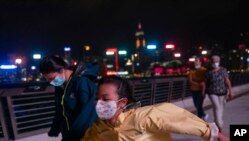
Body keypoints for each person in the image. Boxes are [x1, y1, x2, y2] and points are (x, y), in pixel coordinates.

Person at [81, 75, 229, 141]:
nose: (99, 103)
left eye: (105, 99)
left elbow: (177, 119)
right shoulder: (98, 128)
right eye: (97, 99)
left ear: (122, 102)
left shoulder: (143, 117)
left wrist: (213, 134)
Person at [39, 55, 98, 141]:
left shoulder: (82, 82)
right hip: (68, 134)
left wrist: (74, 135)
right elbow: (60, 111)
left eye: (52, 78)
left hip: (84, 136)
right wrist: (55, 129)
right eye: (48, 80)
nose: (51, 82)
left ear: (62, 70)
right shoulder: (60, 87)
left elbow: (87, 114)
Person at [204, 55, 233, 133]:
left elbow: (227, 81)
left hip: (222, 92)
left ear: (219, 62)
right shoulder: (208, 71)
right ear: (211, 62)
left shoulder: (223, 70)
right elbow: (205, 82)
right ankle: (219, 126)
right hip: (212, 92)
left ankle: (216, 123)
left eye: (216, 61)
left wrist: (230, 91)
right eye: (213, 61)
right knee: (217, 107)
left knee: (220, 108)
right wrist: (203, 92)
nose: (215, 63)